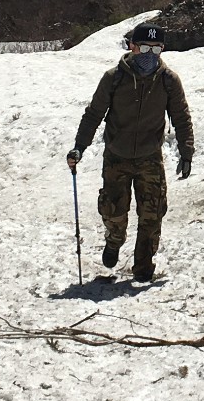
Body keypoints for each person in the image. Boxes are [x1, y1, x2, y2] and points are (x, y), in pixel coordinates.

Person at [67, 23, 194, 281]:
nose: (150, 54)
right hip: (117, 156)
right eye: (144, 48)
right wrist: (79, 147)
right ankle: (114, 240)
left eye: (156, 49)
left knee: (152, 214)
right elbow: (93, 115)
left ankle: (143, 266)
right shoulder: (113, 78)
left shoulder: (169, 81)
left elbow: (181, 117)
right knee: (114, 211)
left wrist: (186, 151)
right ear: (132, 47)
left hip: (150, 157)